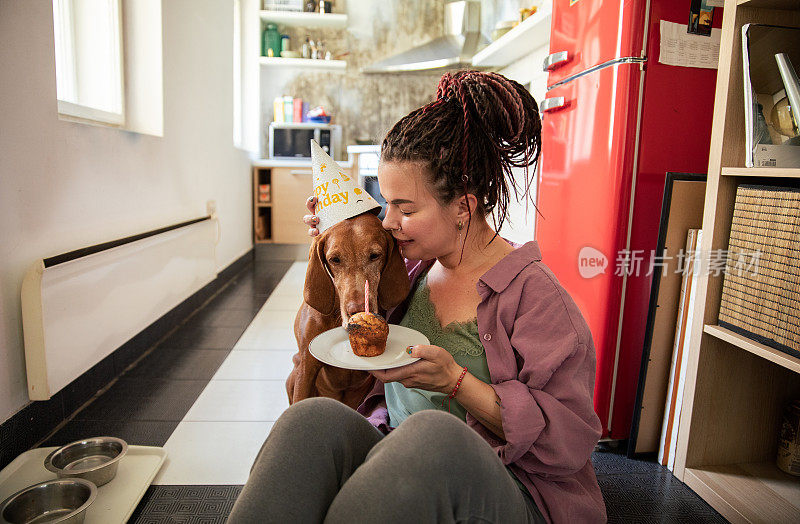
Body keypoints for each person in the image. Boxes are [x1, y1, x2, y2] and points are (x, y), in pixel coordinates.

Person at [228, 71, 606, 523]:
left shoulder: (539, 300)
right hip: (398, 468)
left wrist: (457, 382)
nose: (388, 222)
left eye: (405, 209)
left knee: (433, 434)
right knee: (306, 422)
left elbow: (570, 441)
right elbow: (325, 347)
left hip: (513, 490)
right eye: (385, 204)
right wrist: (336, 249)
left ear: (463, 207)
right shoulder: (407, 273)